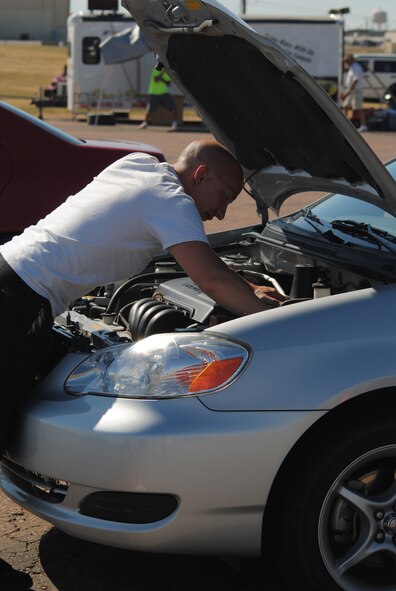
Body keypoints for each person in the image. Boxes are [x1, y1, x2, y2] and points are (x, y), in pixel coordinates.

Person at [0, 139, 286, 584]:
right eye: (225, 198)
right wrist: (275, 317)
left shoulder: (139, 165)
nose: (223, 213)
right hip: (14, 304)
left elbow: (197, 262)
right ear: (201, 176)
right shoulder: (171, 200)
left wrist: (247, 285)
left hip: (12, 280)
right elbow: (208, 277)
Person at [340, 54, 367, 132]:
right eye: (345, 61)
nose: (346, 62)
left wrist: (348, 92)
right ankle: (343, 123)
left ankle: (363, 125)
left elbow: (355, 80)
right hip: (350, 90)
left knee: (357, 108)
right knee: (345, 106)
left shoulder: (356, 67)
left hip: (356, 90)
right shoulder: (350, 67)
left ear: (351, 60)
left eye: (347, 60)